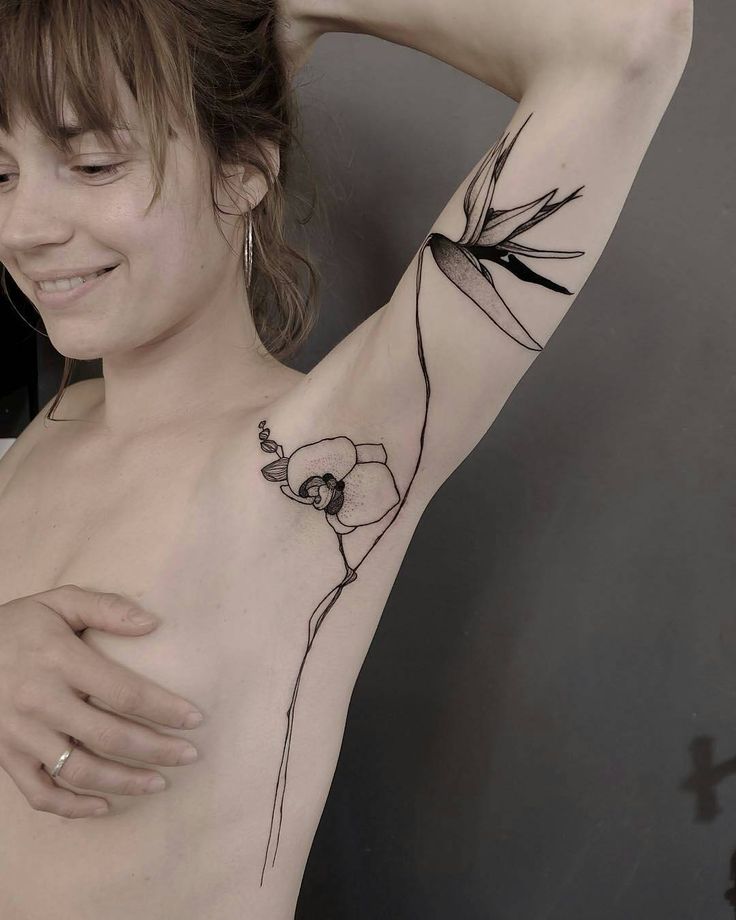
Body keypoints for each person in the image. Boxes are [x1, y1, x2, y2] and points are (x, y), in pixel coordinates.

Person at [0, 0, 692, 917]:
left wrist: (293, 7)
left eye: (93, 164)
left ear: (243, 169)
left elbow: (631, 38)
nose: (24, 226)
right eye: (1, 173)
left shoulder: (323, 445)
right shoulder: (39, 435)